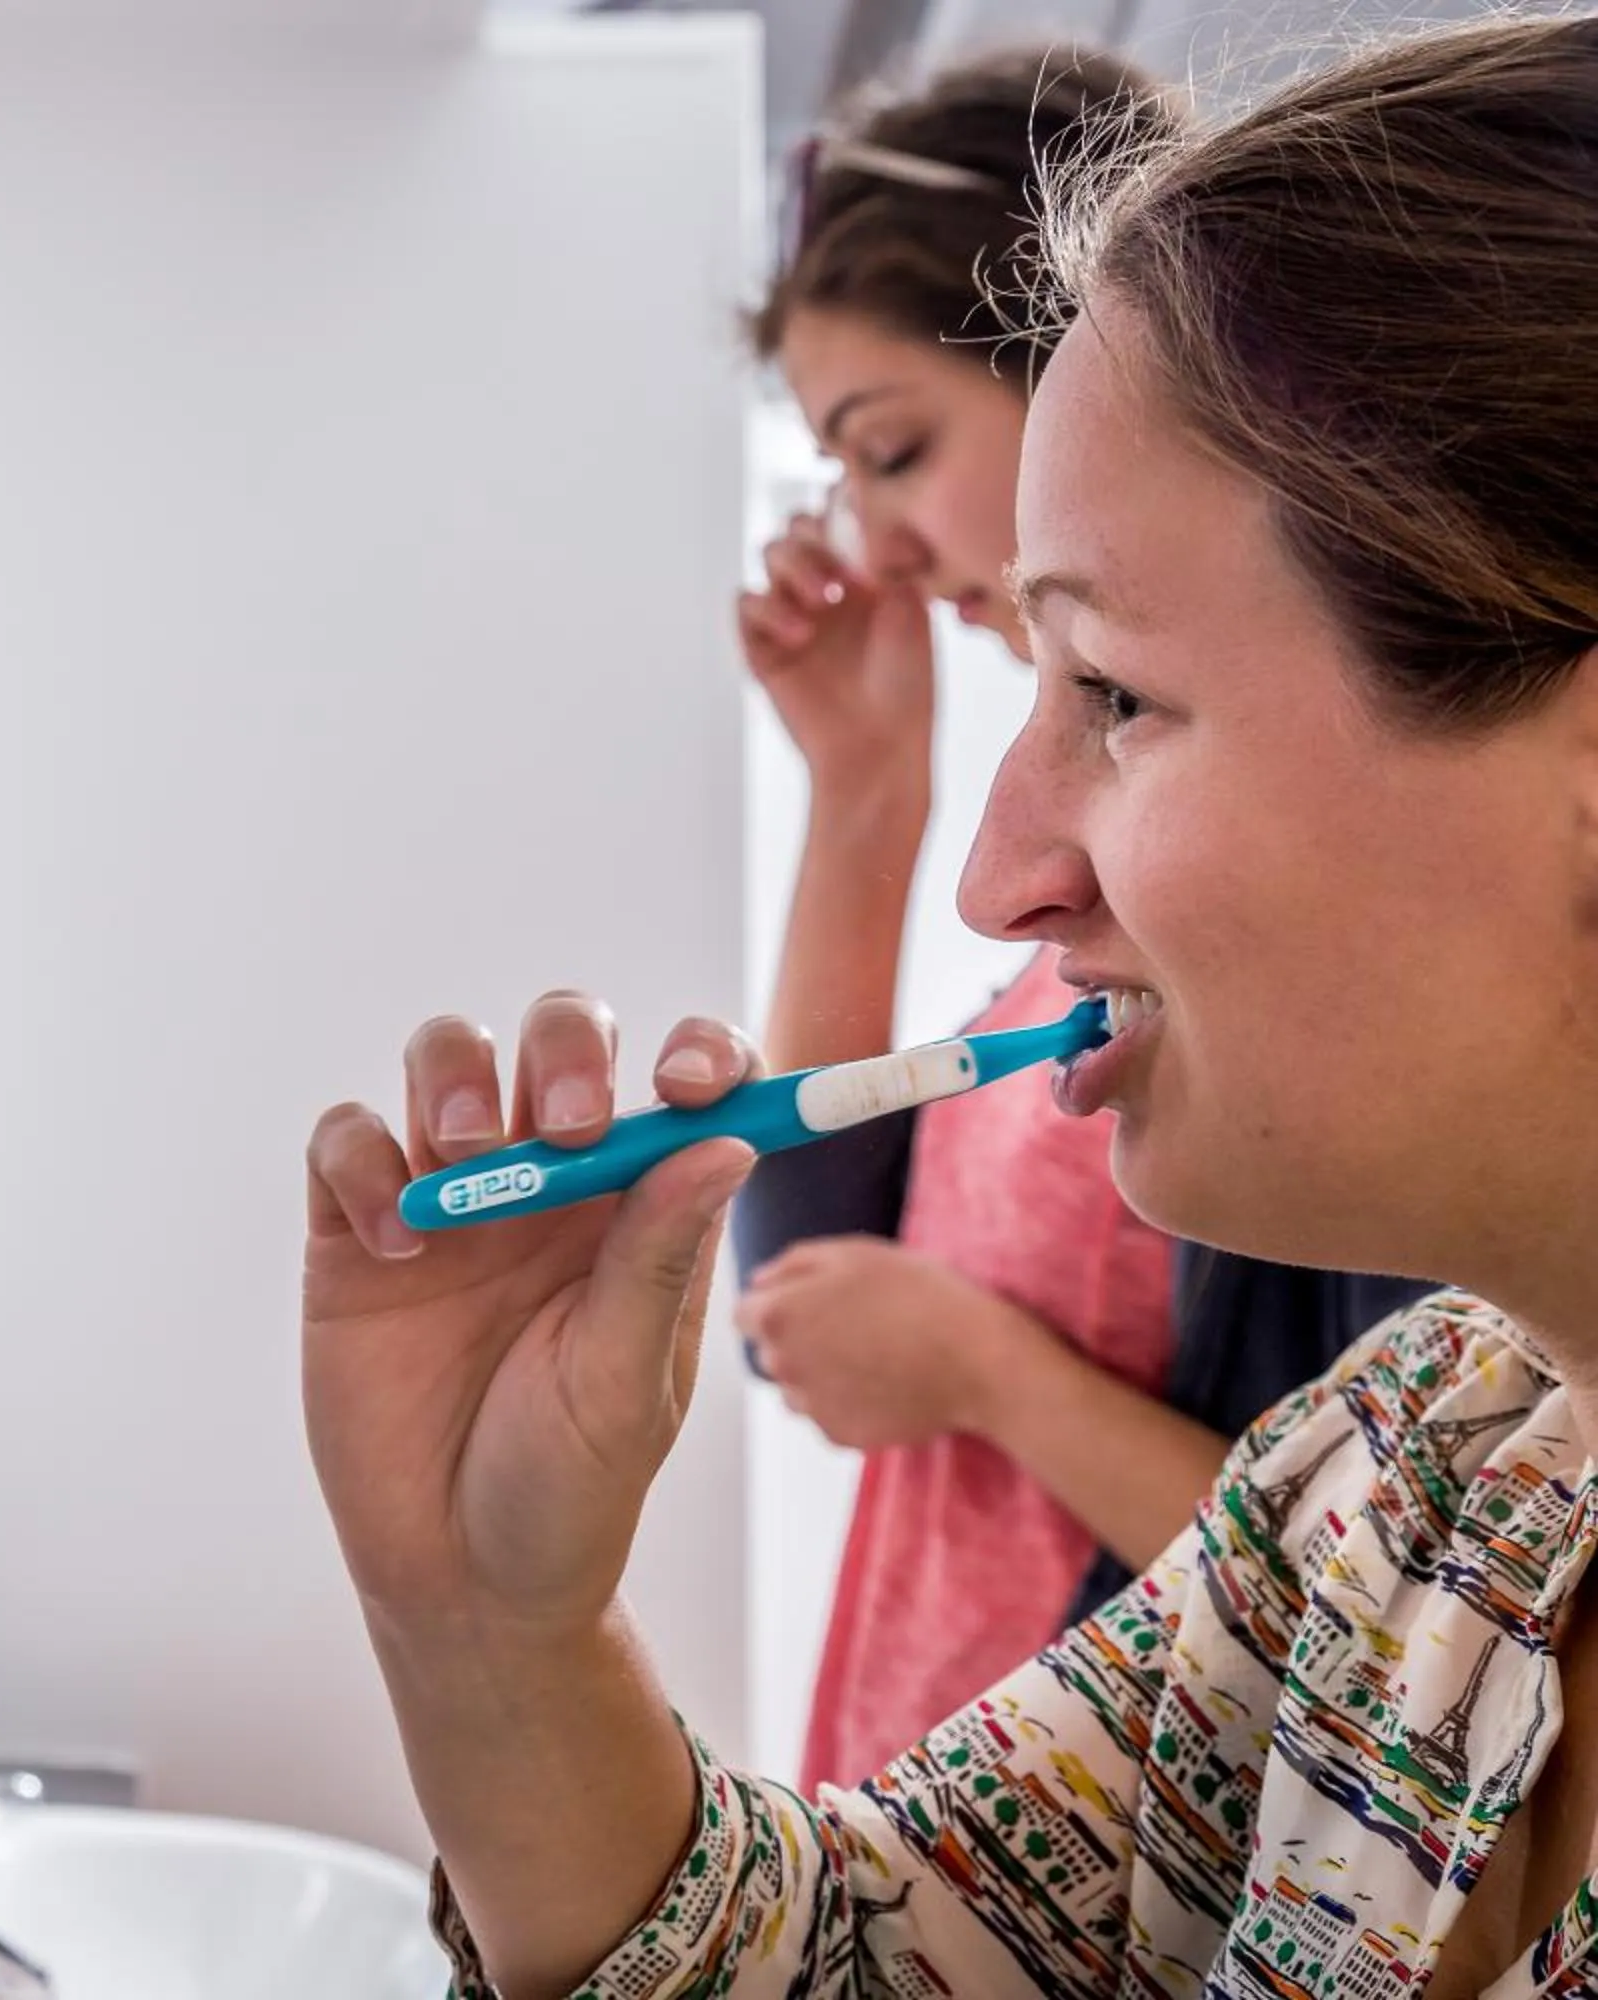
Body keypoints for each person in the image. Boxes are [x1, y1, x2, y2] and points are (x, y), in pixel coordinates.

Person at [300, 16, 1598, 1997]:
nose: (1003, 878)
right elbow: (850, 1957)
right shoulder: (1410, 1476)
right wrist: (483, 1631)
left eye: (1117, 697)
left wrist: (988, 1374)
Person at [729, 48, 1433, 1794]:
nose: (875, 546)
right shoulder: (1079, 926)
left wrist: (986, 1374)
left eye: (892, 452)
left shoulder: (1267, 947)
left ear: (1077, 370)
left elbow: (1402, 1608)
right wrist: (861, 784)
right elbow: (810, 1255)